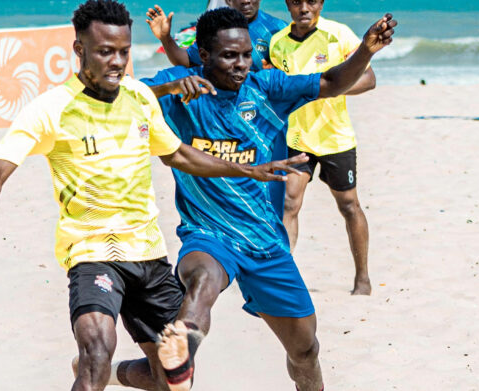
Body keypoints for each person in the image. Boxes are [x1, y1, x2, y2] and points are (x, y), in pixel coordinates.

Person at [0, 2, 308, 391]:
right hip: (92, 251)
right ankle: (99, 370)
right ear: (79, 50)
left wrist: (249, 170)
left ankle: (116, 375)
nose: (117, 62)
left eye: (124, 51)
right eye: (105, 51)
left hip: (148, 253)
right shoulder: (51, 109)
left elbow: (178, 154)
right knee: (98, 353)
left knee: (174, 379)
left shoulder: (139, 97)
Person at [98, 7, 396, 391]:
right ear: (203, 55)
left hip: (266, 242)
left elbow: (332, 81)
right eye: (228, 56)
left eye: (244, 55)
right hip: (208, 234)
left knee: (305, 350)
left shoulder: (267, 88)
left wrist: (366, 52)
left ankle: (115, 372)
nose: (240, 65)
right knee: (202, 280)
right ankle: (179, 352)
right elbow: (116, 97)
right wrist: (167, 90)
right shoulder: (180, 88)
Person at [269, 0, 375, 295]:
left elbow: (369, 79)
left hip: (334, 137)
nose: (304, 7)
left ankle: (362, 278)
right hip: (296, 136)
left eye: (311, 1)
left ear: (321, 3)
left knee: (349, 206)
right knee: (289, 203)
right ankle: (284, 279)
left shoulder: (339, 35)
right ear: (288, 4)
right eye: (296, 1)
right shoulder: (278, 43)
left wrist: (326, 88)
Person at [146, 0, 287, 72]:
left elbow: (297, 72)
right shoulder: (214, 28)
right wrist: (165, 38)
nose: (246, 1)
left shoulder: (279, 29)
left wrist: (278, 73)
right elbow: (187, 60)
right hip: (223, 109)